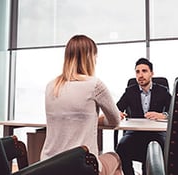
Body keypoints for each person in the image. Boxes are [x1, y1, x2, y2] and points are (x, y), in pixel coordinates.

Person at [40, 35, 123, 175]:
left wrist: (92, 120)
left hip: (49, 166)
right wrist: (100, 119)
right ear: (90, 58)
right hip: (82, 168)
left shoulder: (51, 86)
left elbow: (71, 117)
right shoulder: (95, 85)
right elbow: (115, 121)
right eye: (95, 57)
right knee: (115, 158)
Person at [116, 58, 171, 175]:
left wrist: (163, 115)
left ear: (152, 73)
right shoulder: (130, 91)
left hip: (156, 133)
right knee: (121, 147)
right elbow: (117, 108)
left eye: (144, 71)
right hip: (135, 132)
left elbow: (174, 111)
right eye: (137, 72)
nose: (140, 75)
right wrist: (118, 113)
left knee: (155, 148)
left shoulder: (162, 91)